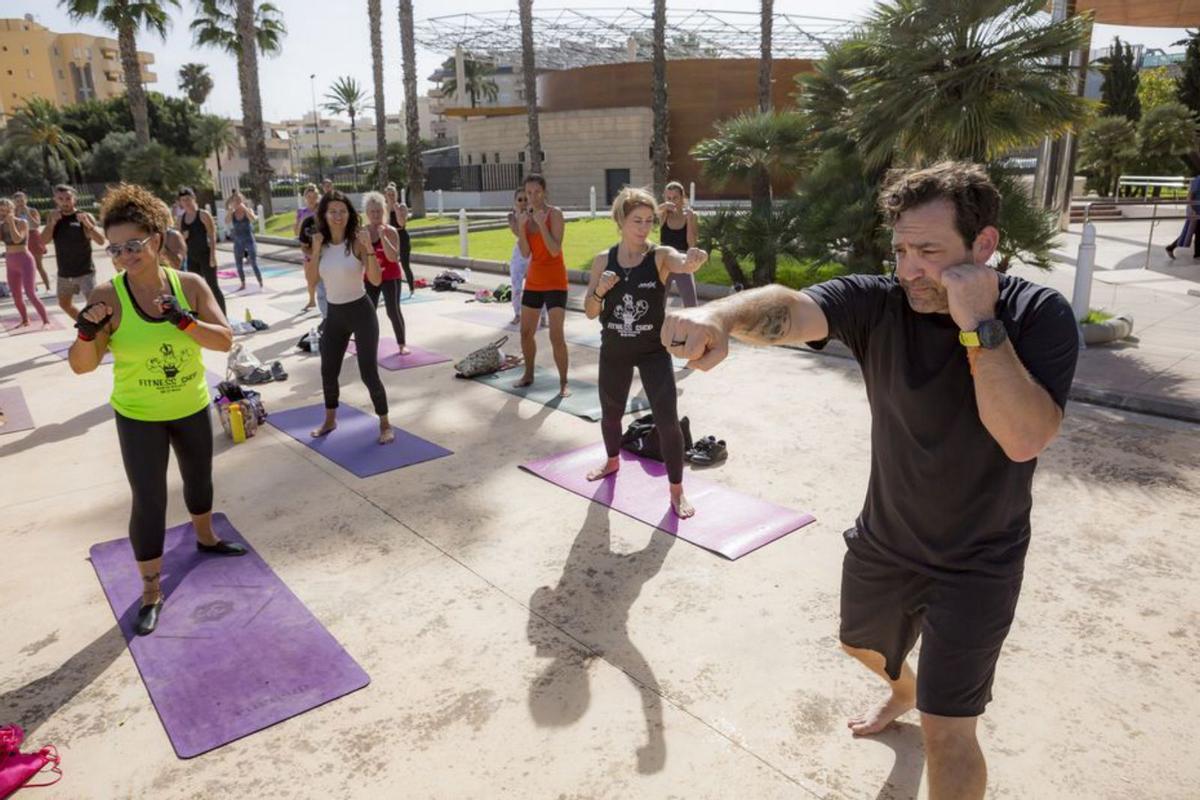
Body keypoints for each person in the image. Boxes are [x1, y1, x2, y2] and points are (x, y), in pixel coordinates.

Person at [661, 162, 1079, 800]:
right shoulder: (880, 302)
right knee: (859, 644)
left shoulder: (1035, 314)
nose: (909, 268)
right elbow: (791, 307)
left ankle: (927, 703)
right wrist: (719, 315)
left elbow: (1022, 437)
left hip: (979, 562)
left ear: (984, 246)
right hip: (886, 541)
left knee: (948, 734)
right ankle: (904, 689)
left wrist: (977, 324)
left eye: (930, 251)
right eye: (902, 249)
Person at [67, 183, 242, 637]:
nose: (126, 255)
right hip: (138, 415)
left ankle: (205, 539)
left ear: (157, 240)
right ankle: (150, 591)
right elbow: (82, 368)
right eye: (116, 248)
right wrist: (88, 332)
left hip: (190, 405)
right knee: (149, 500)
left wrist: (182, 319)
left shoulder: (190, 285)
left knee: (199, 479)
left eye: (135, 244)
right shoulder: (109, 296)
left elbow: (224, 341)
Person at [585, 187, 706, 518]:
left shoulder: (660, 255)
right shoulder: (602, 260)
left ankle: (677, 491)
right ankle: (612, 462)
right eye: (636, 220)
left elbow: (682, 262)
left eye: (649, 221)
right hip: (614, 349)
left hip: (653, 351)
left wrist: (692, 260)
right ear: (621, 220)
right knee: (611, 413)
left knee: (667, 421)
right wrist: (600, 290)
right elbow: (590, 311)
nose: (643, 227)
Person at [305, 190, 394, 444]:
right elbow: (312, 281)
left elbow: (376, 279)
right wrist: (315, 248)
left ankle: (385, 423)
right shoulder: (320, 245)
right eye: (332, 211)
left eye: (342, 211)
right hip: (334, 315)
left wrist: (368, 248)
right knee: (328, 370)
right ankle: (330, 419)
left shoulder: (355, 242)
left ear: (349, 215)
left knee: (368, 373)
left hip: (360, 312)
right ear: (324, 214)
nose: (338, 216)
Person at [514, 174, 571, 397]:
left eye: (537, 192)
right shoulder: (526, 218)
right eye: (528, 193)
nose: (532, 197)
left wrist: (540, 224)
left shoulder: (554, 214)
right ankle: (528, 374)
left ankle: (564, 382)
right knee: (525, 332)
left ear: (544, 192)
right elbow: (526, 252)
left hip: (555, 281)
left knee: (556, 336)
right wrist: (521, 229)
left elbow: (554, 249)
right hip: (534, 281)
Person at [42, 184, 105, 320]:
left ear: (74, 199)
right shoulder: (53, 217)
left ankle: (102, 331)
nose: (65, 202)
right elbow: (44, 241)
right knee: (64, 304)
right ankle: (84, 325)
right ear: (55, 200)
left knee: (94, 305)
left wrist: (89, 225)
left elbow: (101, 241)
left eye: (68, 198)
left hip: (85, 272)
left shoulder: (84, 216)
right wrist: (51, 224)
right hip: (64, 273)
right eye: (61, 199)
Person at [362, 191, 409, 355]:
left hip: (390, 276)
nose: (375, 215)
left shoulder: (391, 231)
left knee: (392, 310)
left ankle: (402, 344)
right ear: (367, 214)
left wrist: (383, 237)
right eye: (372, 212)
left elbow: (393, 257)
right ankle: (367, 344)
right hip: (370, 277)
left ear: (384, 211)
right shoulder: (363, 232)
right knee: (368, 311)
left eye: (378, 211)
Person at [1, 198, 51, 327]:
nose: (3, 214)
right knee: (16, 296)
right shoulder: (1, 226)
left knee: (30, 293)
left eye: (6, 211)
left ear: (12, 211)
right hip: (10, 262)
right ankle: (25, 319)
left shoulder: (22, 222)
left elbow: (17, 239)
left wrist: (11, 222)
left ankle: (46, 321)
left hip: (24, 260)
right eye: (1, 211)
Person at [176, 188, 225, 316]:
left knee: (213, 287)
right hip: (191, 258)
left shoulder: (203, 215)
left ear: (194, 199)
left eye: (188, 199)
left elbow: (212, 235)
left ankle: (223, 317)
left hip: (206, 255)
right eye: (183, 200)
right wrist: (183, 237)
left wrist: (213, 255)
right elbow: (177, 239)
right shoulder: (180, 219)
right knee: (194, 289)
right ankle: (200, 318)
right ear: (180, 202)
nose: (186, 202)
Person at [506, 187, 546, 327]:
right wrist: (520, 217)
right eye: (520, 200)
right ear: (515, 202)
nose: (523, 202)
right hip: (520, 253)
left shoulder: (535, 214)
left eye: (526, 199)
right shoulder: (511, 217)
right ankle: (517, 314)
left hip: (535, 252)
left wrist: (530, 216)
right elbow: (518, 233)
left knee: (539, 286)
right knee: (516, 286)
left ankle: (543, 316)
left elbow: (537, 232)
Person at [657, 181, 699, 308]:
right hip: (664, 260)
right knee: (658, 302)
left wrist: (690, 220)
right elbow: (651, 211)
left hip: (682, 260)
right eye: (668, 198)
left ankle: (692, 327)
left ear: (682, 198)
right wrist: (664, 205)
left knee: (691, 303)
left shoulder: (691, 215)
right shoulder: (663, 214)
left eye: (675, 198)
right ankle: (658, 328)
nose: (672, 201)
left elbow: (692, 244)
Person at [12, 192, 51, 292]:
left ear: (26, 200)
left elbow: (36, 224)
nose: (20, 203)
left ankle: (48, 287)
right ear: (14, 202)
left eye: (22, 200)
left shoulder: (32, 210)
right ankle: (31, 288)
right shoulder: (13, 213)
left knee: (38, 265)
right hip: (21, 238)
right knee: (24, 266)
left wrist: (27, 213)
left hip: (34, 237)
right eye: (17, 201)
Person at [225, 190, 261, 289]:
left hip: (249, 239)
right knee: (238, 263)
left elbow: (253, 219)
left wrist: (245, 209)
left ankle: (260, 281)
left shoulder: (248, 210)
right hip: (238, 240)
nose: (237, 202)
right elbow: (226, 221)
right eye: (235, 200)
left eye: (239, 200)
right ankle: (243, 283)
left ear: (243, 201)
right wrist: (229, 211)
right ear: (232, 202)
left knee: (253, 262)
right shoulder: (232, 213)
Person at [385, 184, 416, 297]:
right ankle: (392, 290)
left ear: (396, 194)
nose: (391, 196)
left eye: (393, 194)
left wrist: (396, 209)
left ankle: (412, 288)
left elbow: (401, 223)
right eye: (389, 195)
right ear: (386, 196)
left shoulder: (402, 206)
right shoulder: (384, 208)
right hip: (390, 237)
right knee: (390, 264)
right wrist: (388, 209)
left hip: (402, 235)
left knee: (405, 264)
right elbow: (386, 224)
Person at [295, 184, 321, 310]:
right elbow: (297, 231)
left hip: (321, 249)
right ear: (305, 198)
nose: (311, 199)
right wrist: (302, 221)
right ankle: (312, 300)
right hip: (308, 247)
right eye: (309, 197)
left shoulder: (322, 210)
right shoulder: (302, 212)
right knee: (309, 276)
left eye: (314, 196)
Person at [1166, 171, 1200, 260]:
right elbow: (1190, 195)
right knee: (1191, 232)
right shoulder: (1198, 180)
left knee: (1196, 232)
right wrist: (1191, 209)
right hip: (1195, 211)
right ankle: (1171, 247)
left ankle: (1197, 254)